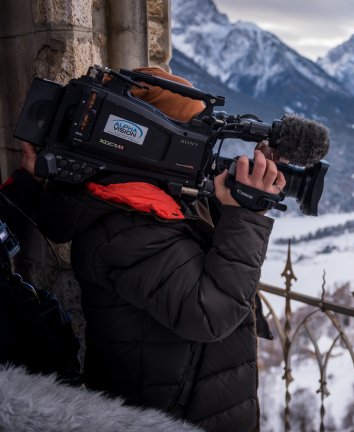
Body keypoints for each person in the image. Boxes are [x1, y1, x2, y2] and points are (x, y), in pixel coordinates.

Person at [4, 68, 282, 432]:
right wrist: (244, 218)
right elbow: (210, 313)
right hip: (169, 415)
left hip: (202, 402)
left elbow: (206, 247)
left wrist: (245, 193)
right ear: (148, 141)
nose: (199, 148)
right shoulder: (122, 225)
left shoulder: (161, 199)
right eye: (190, 134)